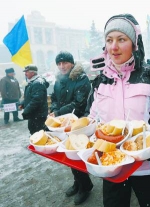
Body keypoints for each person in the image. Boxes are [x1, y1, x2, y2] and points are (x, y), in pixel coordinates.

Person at [88, 13, 150, 207]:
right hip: (112, 165)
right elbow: (92, 119)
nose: (114, 47)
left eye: (121, 39)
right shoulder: (99, 81)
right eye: (109, 40)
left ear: (134, 43)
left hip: (147, 167)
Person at [49, 51, 93, 205]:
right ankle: (78, 182)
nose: (62, 66)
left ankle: (85, 186)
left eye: (65, 63)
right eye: (59, 63)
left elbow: (79, 103)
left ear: (72, 63)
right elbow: (54, 98)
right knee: (69, 154)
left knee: (77, 155)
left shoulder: (81, 79)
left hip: (78, 124)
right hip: (63, 125)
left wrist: (58, 112)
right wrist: (54, 109)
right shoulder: (59, 80)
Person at [19, 64, 49, 135]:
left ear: (32, 73)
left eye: (27, 72)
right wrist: (23, 104)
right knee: (34, 131)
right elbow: (29, 97)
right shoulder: (33, 82)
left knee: (38, 133)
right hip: (34, 114)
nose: (25, 74)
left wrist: (26, 110)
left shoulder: (37, 83)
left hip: (38, 115)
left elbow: (36, 100)